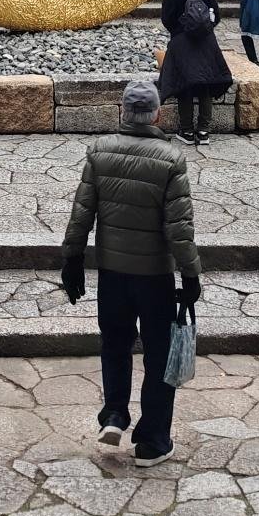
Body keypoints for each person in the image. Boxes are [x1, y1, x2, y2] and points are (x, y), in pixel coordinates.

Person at [60, 77, 202, 466]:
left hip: (112, 272)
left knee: (115, 345)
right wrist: (190, 275)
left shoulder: (100, 151)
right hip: (155, 276)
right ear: (157, 113)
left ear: (123, 111)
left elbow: (81, 212)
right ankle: (153, 441)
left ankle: (115, 414)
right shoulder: (171, 159)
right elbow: (179, 226)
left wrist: (72, 259)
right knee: (159, 356)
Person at [159, 0, 232, 147]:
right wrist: (204, 28)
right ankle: (204, 131)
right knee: (205, 85)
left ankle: (187, 131)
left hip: (182, 43)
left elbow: (167, 19)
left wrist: (181, 30)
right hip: (206, 42)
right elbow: (216, 13)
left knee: (185, 86)